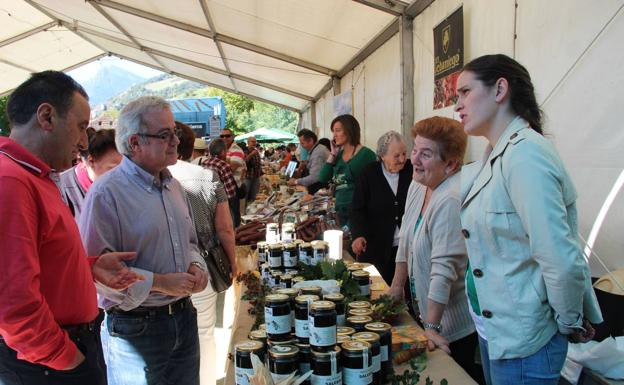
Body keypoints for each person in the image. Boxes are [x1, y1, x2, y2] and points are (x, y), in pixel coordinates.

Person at [455, 54, 602, 385]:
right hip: (501, 331)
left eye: (465, 92)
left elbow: (558, 256)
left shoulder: (525, 155)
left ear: (499, 89)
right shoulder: (498, 154)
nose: (458, 105)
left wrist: (567, 322)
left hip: (527, 339)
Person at [0, 71, 141, 385]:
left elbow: (41, 260)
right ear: (47, 116)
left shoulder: (35, 176)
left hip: (59, 354)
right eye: (80, 127)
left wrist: (89, 267)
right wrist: (66, 358)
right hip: (47, 364)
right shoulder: (10, 180)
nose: (83, 141)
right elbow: (12, 301)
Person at [80, 96, 209, 385]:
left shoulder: (173, 186)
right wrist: (162, 282)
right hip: (135, 327)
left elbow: (189, 242)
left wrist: (197, 266)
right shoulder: (106, 194)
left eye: (174, 131)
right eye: (165, 134)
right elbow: (96, 275)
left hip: (183, 318)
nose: (176, 140)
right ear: (135, 143)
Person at [386, 117, 482, 383]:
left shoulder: (450, 198)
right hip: (428, 314)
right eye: (414, 150)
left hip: (452, 326)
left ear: (450, 164)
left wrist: (431, 326)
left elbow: (443, 268)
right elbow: (405, 236)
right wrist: (396, 286)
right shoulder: (419, 183)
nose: (414, 159)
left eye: (425, 154)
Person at [169, 122, 237, 385]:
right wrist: (232, 261)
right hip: (204, 265)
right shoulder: (207, 176)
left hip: (164, 270)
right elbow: (225, 228)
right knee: (205, 331)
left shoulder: (154, 176)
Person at [350, 131, 412, 285]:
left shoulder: (412, 170)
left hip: (406, 247)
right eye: (396, 156)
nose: (402, 159)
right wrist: (358, 235)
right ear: (382, 155)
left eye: (404, 154)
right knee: (378, 288)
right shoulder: (368, 173)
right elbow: (357, 208)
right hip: (376, 246)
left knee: (404, 291)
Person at [319, 114, 376, 227]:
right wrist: (333, 154)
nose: (334, 135)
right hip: (340, 211)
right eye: (333, 131)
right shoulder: (338, 155)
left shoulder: (366, 154)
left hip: (358, 212)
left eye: (338, 130)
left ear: (349, 130)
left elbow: (373, 188)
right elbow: (323, 177)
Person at [60, 128, 122, 222]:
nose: (121, 175)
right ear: (91, 161)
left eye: (124, 168)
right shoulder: (61, 190)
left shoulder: (121, 187)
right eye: (113, 169)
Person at [204, 138, 240, 227]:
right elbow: (231, 193)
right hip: (223, 205)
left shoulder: (205, 163)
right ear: (223, 152)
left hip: (208, 204)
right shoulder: (223, 165)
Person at [287, 128, 330, 194]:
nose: (301, 146)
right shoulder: (314, 150)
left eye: (302, 143)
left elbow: (314, 177)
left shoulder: (318, 152)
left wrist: (296, 181)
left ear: (311, 140)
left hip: (321, 188)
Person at [244, 136, 263, 202]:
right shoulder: (245, 150)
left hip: (256, 176)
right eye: (252, 141)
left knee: (254, 195)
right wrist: (251, 154)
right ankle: (244, 210)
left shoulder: (256, 151)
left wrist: (261, 174)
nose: (254, 143)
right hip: (248, 176)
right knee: (245, 195)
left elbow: (258, 164)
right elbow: (244, 161)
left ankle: (252, 210)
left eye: (255, 141)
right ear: (248, 142)